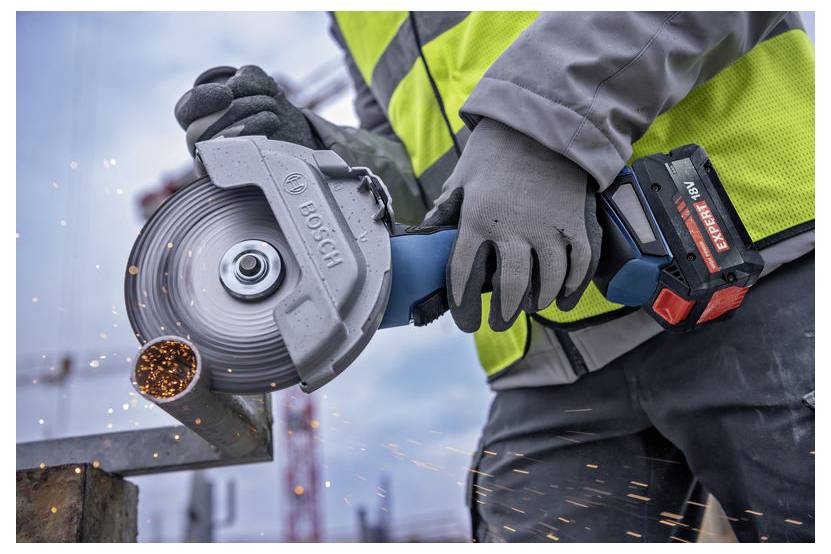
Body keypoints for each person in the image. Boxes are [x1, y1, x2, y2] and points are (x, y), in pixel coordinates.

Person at [174, 11, 814, 542]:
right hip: (547, 363)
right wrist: (322, 161)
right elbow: (433, 178)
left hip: (760, 270)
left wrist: (537, 132)